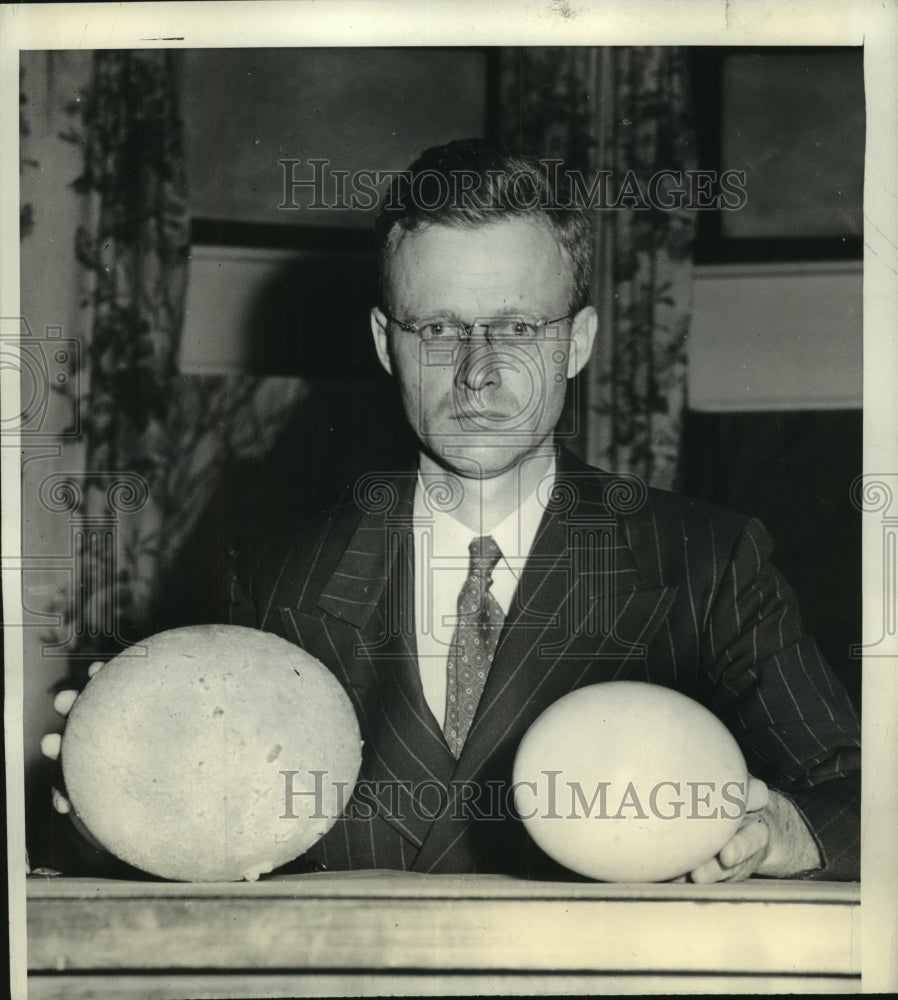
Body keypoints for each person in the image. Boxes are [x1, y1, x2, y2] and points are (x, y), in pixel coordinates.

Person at [46, 138, 860, 882]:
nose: (478, 372)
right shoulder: (275, 581)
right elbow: (207, 842)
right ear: (382, 341)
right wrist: (111, 816)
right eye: (438, 327)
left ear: (576, 343)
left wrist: (793, 829)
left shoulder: (706, 565)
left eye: (516, 326)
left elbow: (859, 794)